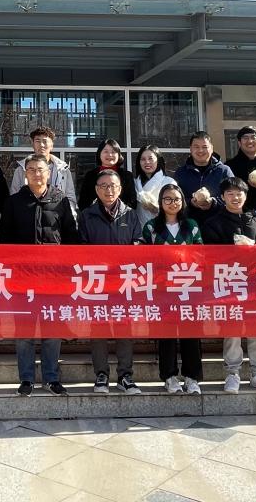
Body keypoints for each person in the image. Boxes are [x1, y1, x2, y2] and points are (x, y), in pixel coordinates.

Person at [1, 154, 79, 396]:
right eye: (32, 169)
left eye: (41, 169)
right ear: (25, 174)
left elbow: (71, 237)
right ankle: (26, 379)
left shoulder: (60, 200)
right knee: (24, 330)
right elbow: (5, 240)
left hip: (53, 278)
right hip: (22, 278)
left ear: (49, 173)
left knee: (52, 329)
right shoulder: (14, 202)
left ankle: (51, 378)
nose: (36, 173)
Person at [202, 178, 256, 394]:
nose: (235, 198)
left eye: (239, 193)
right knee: (232, 330)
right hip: (229, 283)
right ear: (222, 197)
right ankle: (232, 373)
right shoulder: (213, 223)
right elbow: (209, 255)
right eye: (230, 194)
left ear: (245, 196)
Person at [78, 169, 143, 395]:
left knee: (125, 328)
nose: (109, 190)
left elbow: (139, 243)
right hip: (96, 281)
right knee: (98, 329)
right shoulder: (87, 215)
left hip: (124, 281)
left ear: (120, 189)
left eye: (113, 185)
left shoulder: (130, 215)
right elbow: (81, 246)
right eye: (104, 186)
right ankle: (101, 375)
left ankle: (125, 375)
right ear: (96, 190)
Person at [143, 184, 204, 394]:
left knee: (191, 333)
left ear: (183, 202)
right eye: (167, 199)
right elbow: (145, 256)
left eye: (176, 199)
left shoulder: (192, 225)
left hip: (188, 286)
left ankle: (192, 377)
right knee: (166, 333)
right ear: (160, 202)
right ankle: (169, 376)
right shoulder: (151, 227)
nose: (172, 203)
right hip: (163, 288)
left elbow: (200, 253)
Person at [173, 131, 234, 224]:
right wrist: (191, 203)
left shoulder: (224, 171)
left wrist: (213, 203)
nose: (200, 150)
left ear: (212, 148)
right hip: (189, 225)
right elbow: (174, 198)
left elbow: (233, 197)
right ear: (190, 149)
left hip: (219, 225)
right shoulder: (180, 173)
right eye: (196, 147)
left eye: (205, 147)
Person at [9, 126, 77, 206]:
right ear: (33, 144)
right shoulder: (21, 170)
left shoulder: (63, 170)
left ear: (51, 145)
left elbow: (70, 199)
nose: (41, 145)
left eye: (45, 141)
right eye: (37, 141)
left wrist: (65, 213)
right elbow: (14, 198)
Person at [77, 138, 138, 211]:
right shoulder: (90, 175)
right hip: (94, 216)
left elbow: (132, 202)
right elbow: (83, 202)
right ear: (99, 154)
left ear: (119, 155)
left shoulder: (127, 176)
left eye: (113, 152)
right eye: (106, 151)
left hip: (121, 216)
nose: (110, 155)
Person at [133, 145, 175, 228]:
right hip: (138, 230)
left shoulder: (169, 182)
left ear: (158, 160)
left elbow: (175, 209)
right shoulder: (135, 183)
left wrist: (157, 209)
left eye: (150, 158)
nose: (147, 162)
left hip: (163, 229)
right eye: (143, 159)